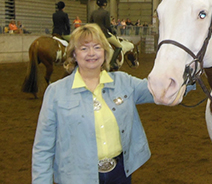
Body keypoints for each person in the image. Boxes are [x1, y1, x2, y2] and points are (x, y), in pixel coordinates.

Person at [31, 24, 155, 184]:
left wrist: (190, 72)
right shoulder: (56, 92)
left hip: (119, 174)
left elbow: (159, 90)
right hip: (76, 177)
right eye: (83, 48)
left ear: (105, 51)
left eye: (97, 47)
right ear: (74, 54)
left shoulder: (124, 82)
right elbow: (43, 148)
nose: (91, 53)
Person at [90, 0, 122, 70]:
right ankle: (112, 63)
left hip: (95, 35)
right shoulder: (106, 13)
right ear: (104, 4)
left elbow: (90, 24)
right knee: (119, 46)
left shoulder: (93, 13)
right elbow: (107, 25)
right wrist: (113, 31)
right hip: (104, 35)